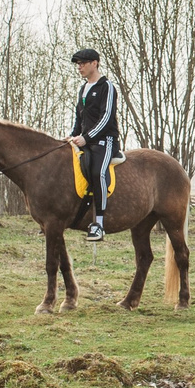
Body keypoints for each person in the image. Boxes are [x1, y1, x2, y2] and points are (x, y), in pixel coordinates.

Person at [66, 47, 121, 242]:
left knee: (98, 172)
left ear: (94, 63)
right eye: (78, 64)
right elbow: (79, 116)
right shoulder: (84, 88)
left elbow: (106, 118)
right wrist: (72, 135)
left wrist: (86, 137)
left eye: (82, 63)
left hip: (104, 141)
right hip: (85, 139)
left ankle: (99, 224)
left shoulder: (107, 87)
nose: (79, 67)